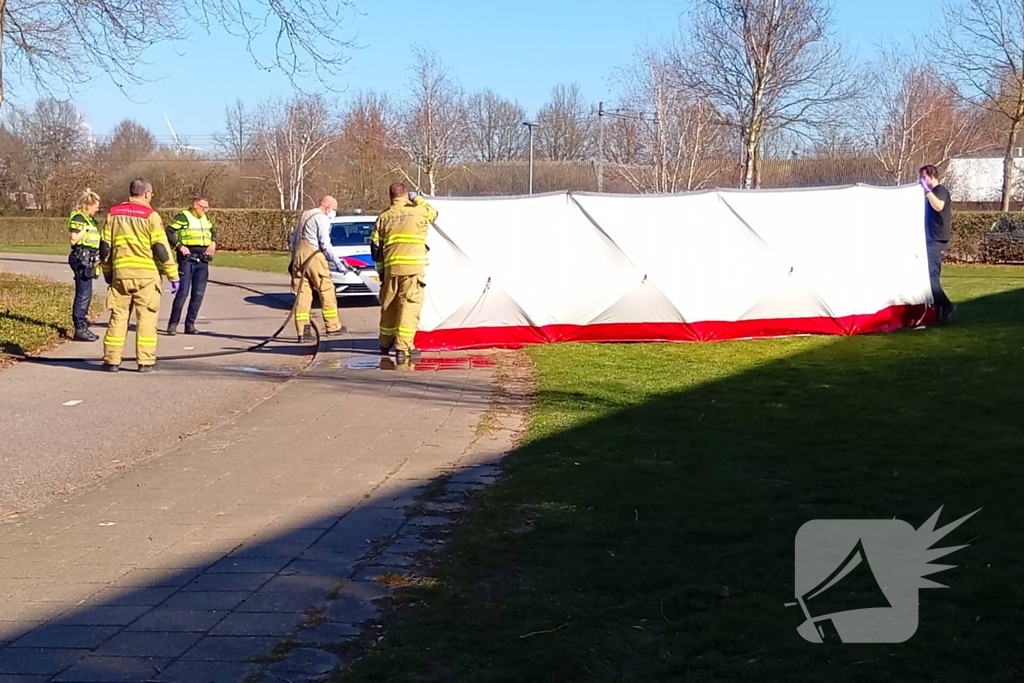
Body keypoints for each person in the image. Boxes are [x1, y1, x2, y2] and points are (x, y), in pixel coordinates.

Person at [99, 178, 180, 372]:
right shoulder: (150, 216)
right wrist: (173, 275)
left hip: (121, 275)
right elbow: (161, 249)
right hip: (146, 277)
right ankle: (145, 361)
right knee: (147, 319)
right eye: (151, 194)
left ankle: (111, 360)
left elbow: (104, 247)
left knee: (118, 318)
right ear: (146, 194)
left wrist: (108, 272)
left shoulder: (113, 214)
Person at [370, 183, 438, 364]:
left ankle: (385, 343)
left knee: (389, 306)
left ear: (390, 196)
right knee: (409, 306)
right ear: (406, 195)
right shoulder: (419, 211)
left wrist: (382, 274)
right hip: (413, 270)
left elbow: (375, 249)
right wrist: (417, 198)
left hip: (391, 270)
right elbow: (434, 213)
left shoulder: (384, 217)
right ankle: (403, 347)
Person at [289, 195, 346, 342]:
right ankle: (333, 327)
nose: (334, 213)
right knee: (326, 289)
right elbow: (325, 244)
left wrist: (293, 260)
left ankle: (303, 332)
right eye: (334, 210)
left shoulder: (305, 215)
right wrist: (338, 263)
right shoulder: (322, 218)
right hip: (313, 255)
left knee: (303, 294)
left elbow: (294, 240)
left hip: (298, 257)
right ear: (327, 208)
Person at [165, 195, 216, 335]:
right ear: (195, 205)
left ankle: (190, 325)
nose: (206, 210)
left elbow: (212, 231)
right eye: (203, 207)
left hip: (203, 260)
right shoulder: (184, 216)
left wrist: (213, 242)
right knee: (183, 292)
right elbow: (168, 231)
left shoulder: (205, 218)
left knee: (198, 294)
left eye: (207, 207)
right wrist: (180, 246)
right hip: (187, 259)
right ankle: (173, 324)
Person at [918, 165, 956, 324]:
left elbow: (939, 206)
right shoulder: (932, 193)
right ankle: (938, 311)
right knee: (931, 277)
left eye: (923, 177)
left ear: (931, 176)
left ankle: (947, 306)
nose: (921, 180)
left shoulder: (940, 191)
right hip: (931, 239)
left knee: (931, 278)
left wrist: (927, 191)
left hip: (936, 240)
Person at [67, 189, 103, 342]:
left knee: (87, 293)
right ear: (88, 204)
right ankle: (79, 327)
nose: (97, 209)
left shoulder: (90, 219)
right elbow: (73, 239)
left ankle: (82, 323)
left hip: (89, 259)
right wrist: (85, 230)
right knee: (83, 294)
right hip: (80, 258)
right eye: (95, 206)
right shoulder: (79, 218)